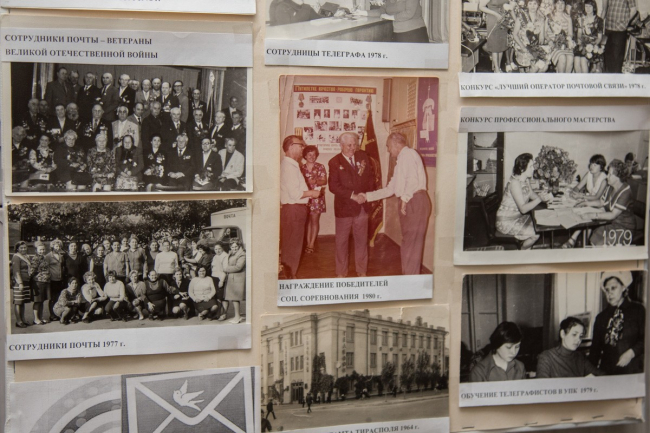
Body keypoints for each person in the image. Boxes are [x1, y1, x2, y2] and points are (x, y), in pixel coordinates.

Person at [362, 133, 431, 275]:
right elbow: (390, 189)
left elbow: (412, 181)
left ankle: (410, 281)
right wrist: (367, 196)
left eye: (388, 146)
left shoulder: (409, 154)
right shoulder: (401, 160)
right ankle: (409, 277)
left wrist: (404, 200)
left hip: (414, 201)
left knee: (411, 245)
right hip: (411, 201)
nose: (388, 150)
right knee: (409, 244)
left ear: (395, 144)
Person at [328, 132, 375, 278]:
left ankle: (362, 270)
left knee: (361, 241)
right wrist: (353, 195)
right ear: (341, 145)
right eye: (349, 145)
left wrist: (365, 195)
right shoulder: (334, 162)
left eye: (354, 144)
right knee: (341, 242)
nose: (352, 148)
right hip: (344, 209)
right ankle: (341, 272)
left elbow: (371, 179)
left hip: (362, 207)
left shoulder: (363, 157)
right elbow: (333, 186)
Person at [589, 272, 645, 375]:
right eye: (607, 290)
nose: (609, 293)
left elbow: (646, 338)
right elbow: (595, 350)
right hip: (608, 373)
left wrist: (631, 353)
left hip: (633, 371)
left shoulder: (638, 310)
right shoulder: (601, 317)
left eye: (613, 288)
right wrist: (590, 374)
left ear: (623, 288)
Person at [280, 136, 320, 278]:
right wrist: (312, 193)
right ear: (291, 146)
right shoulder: (289, 166)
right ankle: (290, 277)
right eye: (300, 145)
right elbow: (296, 194)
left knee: (291, 246)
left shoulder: (291, 164)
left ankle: (289, 275)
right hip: (294, 210)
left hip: (293, 210)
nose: (303, 148)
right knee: (293, 247)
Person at [496, 153, 544, 249]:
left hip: (517, 217)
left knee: (540, 223)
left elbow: (531, 194)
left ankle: (527, 248)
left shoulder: (525, 179)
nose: (533, 169)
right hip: (506, 221)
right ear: (522, 169)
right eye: (530, 166)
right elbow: (523, 209)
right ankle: (522, 250)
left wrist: (544, 199)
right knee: (536, 233)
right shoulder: (515, 183)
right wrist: (540, 199)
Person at [583, 159, 637, 246]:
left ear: (618, 177)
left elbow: (612, 215)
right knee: (593, 238)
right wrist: (585, 203)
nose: (607, 176)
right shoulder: (610, 186)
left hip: (624, 228)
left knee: (599, 244)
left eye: (610, 174)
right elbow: (601, 202)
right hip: (612, 223)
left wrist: (592, 215)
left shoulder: (626, 192)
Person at [536, 316, 602, 378]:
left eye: (581, 336)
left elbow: (602, 375)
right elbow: (542, 384)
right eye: (574, 334)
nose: (578, 340)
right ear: (562, 334)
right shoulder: (546, 357)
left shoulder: (580, 357)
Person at [355, 0, 430, 43]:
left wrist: (390, 17)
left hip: (414, 33)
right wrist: (362, 12)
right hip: (398, 33)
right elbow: (381, 11)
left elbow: (409, 13)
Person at [301, 145, 327, 254]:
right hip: (305, 197)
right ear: (305, 156)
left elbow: (324, 181)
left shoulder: (320, 166)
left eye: (314, 155)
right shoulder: (301, 167)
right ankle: (308, 243)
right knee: (307, 221)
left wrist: (315, 181)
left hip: (317, 198)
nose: (312, 157)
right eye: (309, 155)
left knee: (314, 221)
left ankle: (311, 244)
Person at [513, 0, 549, 72]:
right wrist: (523, 47)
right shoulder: (521, 16)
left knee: (545, 66)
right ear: (527, 5)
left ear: (538, 5)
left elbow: (541, 38)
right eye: (530, 3)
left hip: (535, 46)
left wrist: (541, 48)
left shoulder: (541, 18)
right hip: (523, 46)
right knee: (535, 67)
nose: (533, 6)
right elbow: (515, 34)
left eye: (535, 3)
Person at [602, 0, 636, 73]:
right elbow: (605, 8)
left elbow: (633, 10)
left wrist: (625, 22)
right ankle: (608, 78)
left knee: (617, 57)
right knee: (607, 56)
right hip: (608, 28)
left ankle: (617, 77)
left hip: (619, 29)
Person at [478, 0, 510, 72]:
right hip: (493, 19)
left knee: (501, 45)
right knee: (494, 44)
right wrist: (496, 14)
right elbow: (481, 7)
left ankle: (497, 68)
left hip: (503, 19)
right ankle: (497, 69)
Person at [573, 0, 604, 73]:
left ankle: (586, 79)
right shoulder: (581, 19)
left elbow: (599, 37)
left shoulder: (599, 20)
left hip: (593, 45)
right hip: (582, 44)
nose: (588, 8)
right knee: (576, 61)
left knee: (583, 61)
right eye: (586, 6)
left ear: (594, 8)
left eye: (590, 6)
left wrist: (592, 45)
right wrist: (580, 42)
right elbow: (579, 33)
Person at [547, 0, 575, 72]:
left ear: (565, 5)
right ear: (555, 5)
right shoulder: (550, 16)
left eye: (562, 3)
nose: (560, 5)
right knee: (562, 58)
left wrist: (567, 40)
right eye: (558, 3)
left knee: (570, 58)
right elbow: (545, 34)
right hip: (553, 45)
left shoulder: (568, 17)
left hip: (565, 45)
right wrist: (550, 41)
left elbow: (570, 34)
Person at [223, 239, 246, 324]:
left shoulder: (242, 254)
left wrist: (226, 269)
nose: (234, 248)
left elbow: (238, 267)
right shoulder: (233, 253)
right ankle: (237, 316)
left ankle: (237, 317)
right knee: (234, 298)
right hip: (233, 278)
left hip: (238, 278)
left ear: (239, 246)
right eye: (232, 247)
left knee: (235, 298)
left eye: (236, 246)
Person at [28, 241, 50, 325]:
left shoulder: (44, 257)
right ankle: (36, 319)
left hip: (45, 281)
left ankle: (40, 318)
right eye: (40, 250)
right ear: (36, 250)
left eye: (43, 249)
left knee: (42, 301)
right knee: (37, 301)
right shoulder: (35, 258)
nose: (42, 251)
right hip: (38, 282)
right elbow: (32, 271)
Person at [12, 241, 33, 328]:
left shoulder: (26, 256)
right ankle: (18, 321)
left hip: (26, 281)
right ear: (17, 249)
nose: (24, 249)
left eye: (25, 247)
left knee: (23, 301)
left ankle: (23, 319)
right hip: (19, 282)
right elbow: (16, 271)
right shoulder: (16, 257)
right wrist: (20, 283)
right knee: (18, 302)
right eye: (21, 248)